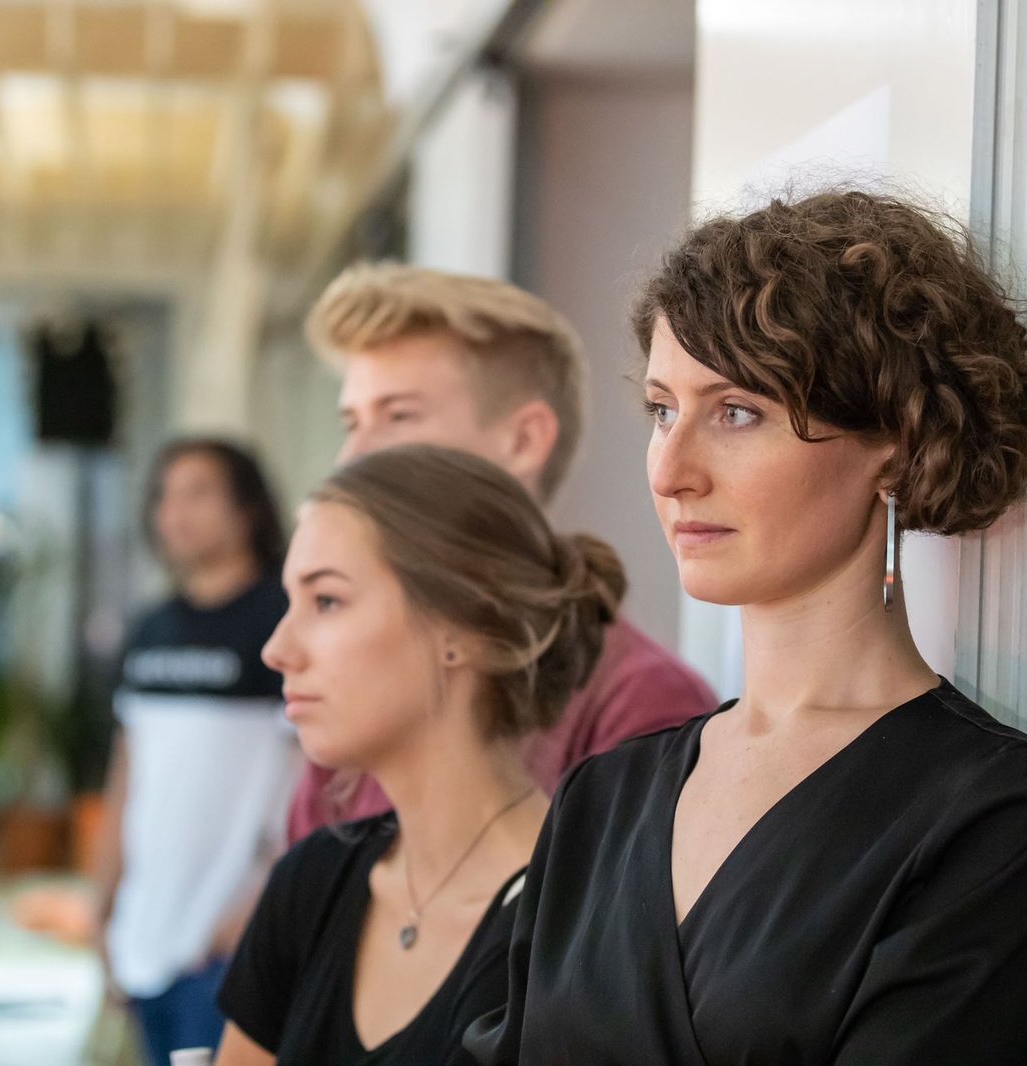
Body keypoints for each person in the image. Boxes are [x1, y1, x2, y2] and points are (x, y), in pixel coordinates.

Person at [465, 190, 1027, 1065]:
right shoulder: (601, 798)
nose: (671, 471)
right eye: (662, 410)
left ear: (897, 442)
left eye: (736, 412)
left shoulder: (995, 815)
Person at [213, 444, 626, 1065]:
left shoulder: (580, 926)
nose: (276, 648)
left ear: (461, 627)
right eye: (290, 601)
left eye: (326, 601)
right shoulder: (309, 882)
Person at [285, 264, 716, 840]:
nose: (352, 458)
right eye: (352, 422)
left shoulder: (642, 704)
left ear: (524, 440)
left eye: (397, 416)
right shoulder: (359, 681)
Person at [93, 438, 291, 1066]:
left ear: (247, 508)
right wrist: (101, 907)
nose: (175, 512)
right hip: (144, 938)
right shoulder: (149, 628)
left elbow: (315, 776)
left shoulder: (283, 623)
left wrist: (259, 901)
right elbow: (127, 775)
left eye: (198, 493)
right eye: (164, 496)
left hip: (228, 939)